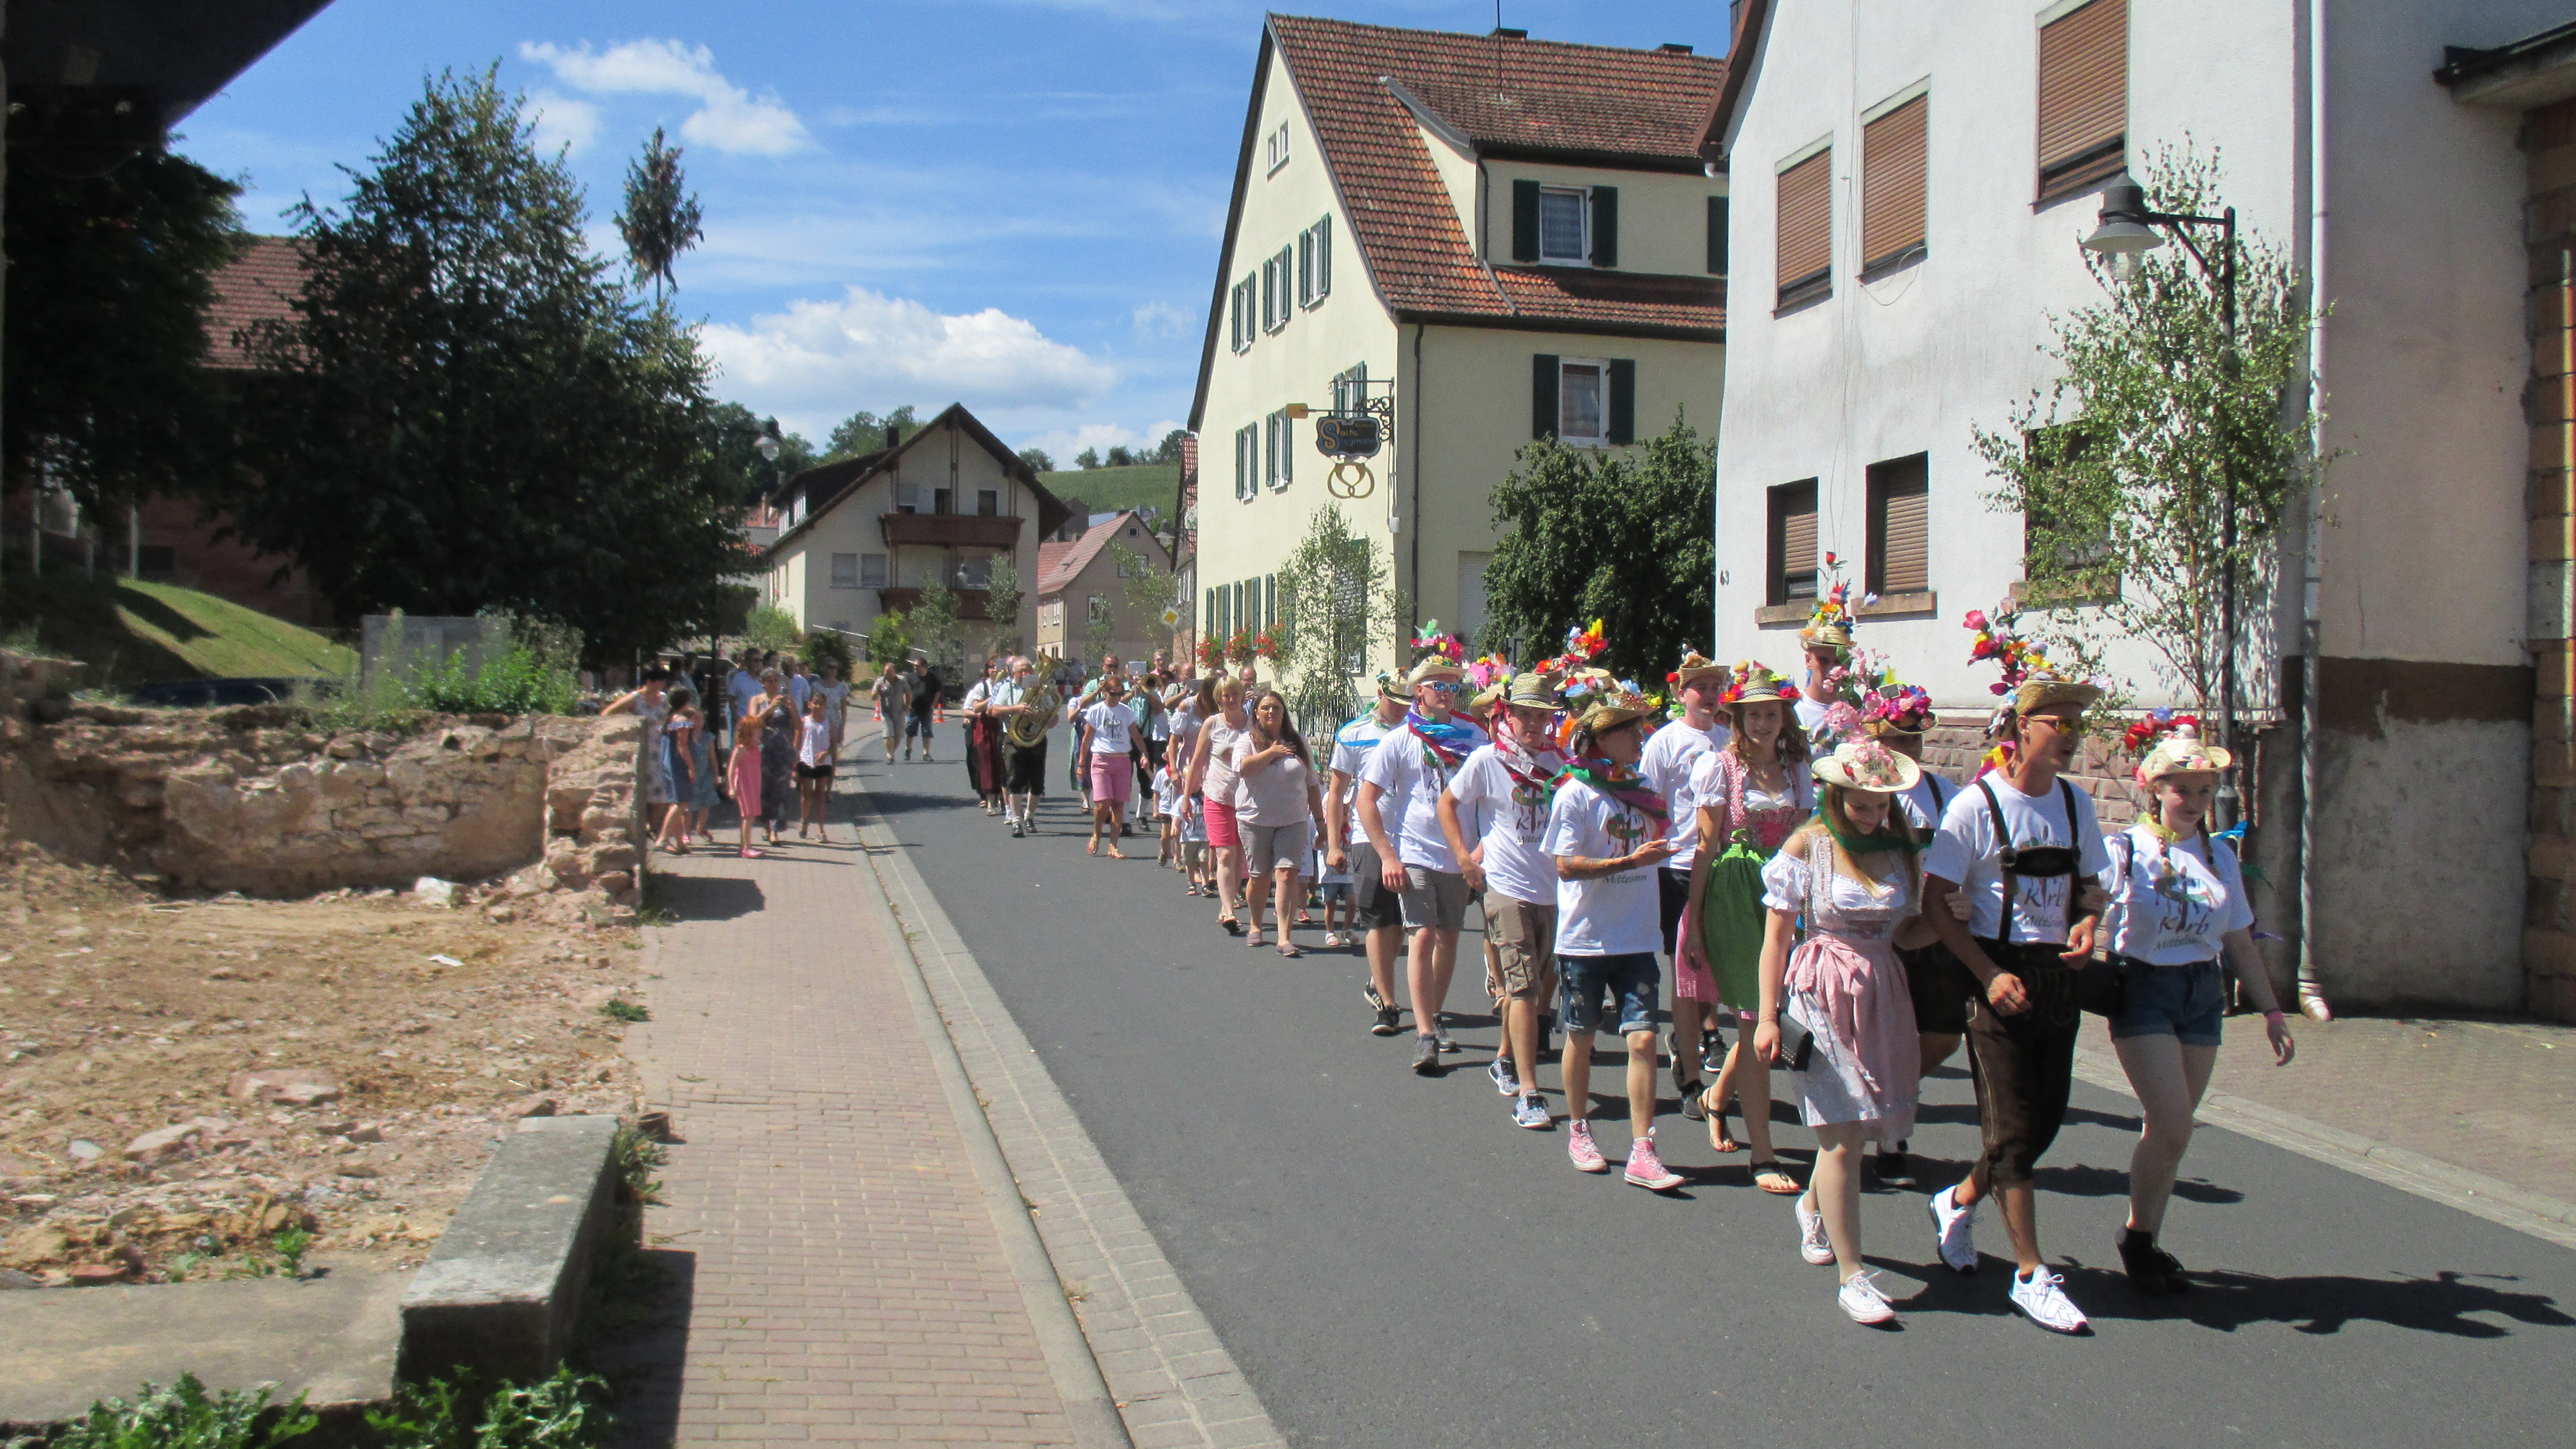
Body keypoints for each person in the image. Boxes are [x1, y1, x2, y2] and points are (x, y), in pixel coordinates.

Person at [1920, 673, 2112, 1335]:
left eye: (2075, 724)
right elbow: (1933, 905)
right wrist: (1986, 972)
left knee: (2044, 1123)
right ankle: (2031, 1273)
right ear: (2021, 730)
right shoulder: (1974, 808)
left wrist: (2090, 924)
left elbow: (2091, 886)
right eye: (2058, 722)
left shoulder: (2074, 803)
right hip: (1993, 978)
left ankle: (1958, 1199)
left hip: (2057, 978)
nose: (2071, 735)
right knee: (2010, 1134)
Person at [2100, 723, 2295, 1295]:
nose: (2195, 802)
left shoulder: (2220, 858)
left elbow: (2239, 941)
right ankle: (2138, 1242)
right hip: (2144, 989)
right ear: (2156, 789)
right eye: (2182, 788)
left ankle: (2144, 1237)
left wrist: (2273, 1013)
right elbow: (2087, 913)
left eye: (2205, 790)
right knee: (2172, 1121)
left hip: (2202, 994)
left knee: (2172, 1134)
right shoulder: (2125, 850)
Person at [1751, 738, 1942, 1325]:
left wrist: (1948, 923)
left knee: (1857, 1132)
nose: (1869, 813)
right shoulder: (1809, 844)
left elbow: (1904, 933)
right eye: (1859, 802)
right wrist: (1765, 1015)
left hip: (1882, 987)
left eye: (1879, 803)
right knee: (1841, 1134)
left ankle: (1812, 1206)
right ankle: (1853, 1275)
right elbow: (1777, 938)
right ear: (1837, 794)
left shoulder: (1902, 849)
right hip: (1820, 987)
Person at [1678, 662, 1814, 1192]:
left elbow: (1807, 837)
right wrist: (1693, 923)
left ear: (1783, 718)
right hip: (1735, 898)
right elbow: (1705, 847)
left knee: (1765, 1017)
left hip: (1787, 895)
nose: (1762, 723)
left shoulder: (1798, 767)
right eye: (1753, 715)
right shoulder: (1719, 767)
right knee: (1757, 1017)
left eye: (1770, 714)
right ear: (1739, 719)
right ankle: (1763, 1154)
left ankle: (1717, 1097)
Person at [1543, 688, 1683, 1188]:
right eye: (1628, 729)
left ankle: (1643, 1149)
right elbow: (1564, 866)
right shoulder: (1575, 793)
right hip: (1585, 941)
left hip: (1637, 936)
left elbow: (1662, 849)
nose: (1640, 735)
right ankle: (1579, 1129)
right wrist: (1627, 862)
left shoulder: (1645, 791)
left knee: (1644, 1039)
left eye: (1640, 726)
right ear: (1600, 739)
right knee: (1581, 1038)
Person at [1438, 671, 1565, 1130]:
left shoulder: (1560, 762)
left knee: (1537, 985)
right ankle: (1530, 1093)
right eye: (1525, 716)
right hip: (1506, 888)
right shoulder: (1488, 760)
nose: (1533, 725)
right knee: (1523, 988)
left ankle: (1505, 1058)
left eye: (1541, 717)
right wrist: (1464, 860)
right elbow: (1447, 804)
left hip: (1551, 890)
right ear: (1507, 716)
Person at [1357, 655, 1491, 1074]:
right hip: (1414, 851)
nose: (1447, 693)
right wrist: (1388, 855)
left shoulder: (1475, 736)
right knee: (1423, 936)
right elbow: (1366, 800)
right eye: (1439, 685)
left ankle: (1433, 1015)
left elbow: (1493, 796)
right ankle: (1425, 1034)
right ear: (1420, 691)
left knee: (1450, 938)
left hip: (1461, 855)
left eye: (1454, 686)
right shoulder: (1400, 739)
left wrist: (1480, 850)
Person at [1859, 682, 1963, 1190]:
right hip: (1880, 933)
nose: (1908, 752)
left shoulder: (1946, 794)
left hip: (1934, 930)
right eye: (1898, 741)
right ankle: (1890, 1138)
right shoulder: (1859, 793)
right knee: (1884, 1036)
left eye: (1915, 741)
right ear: (1875, 739)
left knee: (1943, 1035)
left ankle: (1887, 1100)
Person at [1637, 651, 1734, 1123]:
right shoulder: (1665, 741)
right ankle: (1690, 1074)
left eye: (1717, 688)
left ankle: (1687, 1036)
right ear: (1681, 693)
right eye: (1702, 688)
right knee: (1684, 965)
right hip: (1676, 864)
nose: (1711, 696)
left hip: (1719, 865)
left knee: (1712, 965)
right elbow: (1651, 802)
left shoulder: (1729, 739)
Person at [1327, 673, 1411, 1035]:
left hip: (1412, 835)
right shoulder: (1354, 733)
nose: (1403, 707)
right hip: (1368, 834)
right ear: (1380, 694)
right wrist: (1333, 843)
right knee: (1378, 916)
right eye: (1396, 700)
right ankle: (1388, 1005)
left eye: (1408, 700)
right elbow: (1337, 791)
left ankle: (1380, 980)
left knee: (1402, 922)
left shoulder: (1420, 730)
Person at [1232, 689, 1325, 955]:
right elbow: (1243, 769)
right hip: (1255, 820)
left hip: (1293, 820)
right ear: (1257, 713)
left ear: (1284, 713)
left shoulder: (1299, 743)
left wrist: (1320, 823)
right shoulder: (1247, 741)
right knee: (1260, 877)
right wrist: (1272, 752)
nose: (1271, 712)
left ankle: (1285, 935)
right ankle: (1256, 925)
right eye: (1265, 708)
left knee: (1287, 874)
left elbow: (1313, 785)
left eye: (1276, 708)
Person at [1186, 676, 1252, 932]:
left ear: (1241, 696)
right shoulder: (1212, 724)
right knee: (1225, 853)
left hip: (1247, 799)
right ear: (1219, 699)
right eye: (1225, 695)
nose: (1230, 699)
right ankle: (1228, 911)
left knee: (1239, 857)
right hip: (1217, 796)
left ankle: (1230, 902)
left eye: (1234, 694)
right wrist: (1187, 797)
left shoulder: (1252, 725)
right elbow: (1197, 762)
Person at [601, 667, 675, 842]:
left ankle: (651, 826)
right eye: (660, 681)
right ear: (649, 682)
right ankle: (640, 828)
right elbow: (607, 713)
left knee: (663, 793)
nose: (663, 685)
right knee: (638, 793)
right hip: (641, 751)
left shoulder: (664, 699)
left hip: (660, 750)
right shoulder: (636, 699)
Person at [991, 657, 1057, 836]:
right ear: (1014, 673)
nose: (1027, 674)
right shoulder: (1007, 687)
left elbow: (1054, 717)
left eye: (1030, 670)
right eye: (1022, 671)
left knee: (1037, 783)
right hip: (1014, 738)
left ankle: (1029, 816)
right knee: (1015, 780)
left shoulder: (1040, 689)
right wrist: (1016, 709)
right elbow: (994, 711)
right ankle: (1016, 820)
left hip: (1036, 739)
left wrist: (1049, 719)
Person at [1078, 673, 1139, 858]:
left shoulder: (1126, 712)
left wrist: (1145, 754)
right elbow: (1087, 738)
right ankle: (1096, 835)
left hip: (1122, 760)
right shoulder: (1096, 710)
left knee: (1119, 805)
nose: (1117, 698)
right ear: (1105, 692)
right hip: (1101, 759)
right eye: (1113, 694)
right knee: (1102, 804)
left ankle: (1113, 845)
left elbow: (1136, 735)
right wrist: (1081, 763)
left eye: (1120, 694)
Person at [728, 688, 781, 859]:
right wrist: (731, 787)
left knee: (751, 816)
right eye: (757, 731)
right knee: (748, 816)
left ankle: (747, 845)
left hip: (753, 784)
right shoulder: (742, 748)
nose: (760, 733)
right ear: (748, 733)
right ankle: (746, 848)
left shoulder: (755, 748)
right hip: (743, 785)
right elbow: (731, 768)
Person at [655, 686, 704, 854]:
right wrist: (691, 767)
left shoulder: (670, 719)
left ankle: (679, 843)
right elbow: (683, 746)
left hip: (668, 764)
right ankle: (663, 837)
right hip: (679, 765)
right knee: (682, 802)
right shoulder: (682, 720)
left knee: (675, 803)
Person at [756, 669, 798, 845]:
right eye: (770, 680)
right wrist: (770, 708)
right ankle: (766, 825)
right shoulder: (757, 701)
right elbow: (753, 722)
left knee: (781, 791)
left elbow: (798, 725)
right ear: (763, 682)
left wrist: (796, 749)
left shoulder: (787, 701)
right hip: (763, 750)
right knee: (764, 790)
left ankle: (775, 830)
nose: (774, 684)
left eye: (776, 680)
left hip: (783, 751)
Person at [964, 660, 1005, 813]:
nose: (996, 670)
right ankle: (990, 802)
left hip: (1004, 727)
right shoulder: (982, 687)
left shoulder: (1009, 685)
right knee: (988, 765)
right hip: (987, 729)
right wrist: (991, 698)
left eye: (999, 667)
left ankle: (1005, 801)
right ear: (988, 670)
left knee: (1004, 765)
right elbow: (973, 709)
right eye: (992, 667)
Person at [795, 692, 836, 841]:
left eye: (821, 703)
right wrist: (795, 765)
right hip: (806, 760)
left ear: (825, 706)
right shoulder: (804, 722)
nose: (817, 706)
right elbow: (798, 743)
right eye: (815, 703)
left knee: (820, 795)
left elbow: (833, 745)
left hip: (823, 763)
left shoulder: (828, 723)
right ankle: (804, 821)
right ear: (810, 704)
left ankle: (821, 829)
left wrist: (827, 754)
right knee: (807, 794)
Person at [869, 662, 910, 765]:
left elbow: (909, 693)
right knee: (888, 734)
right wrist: (877, 691)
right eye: (886, 673)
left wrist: (908, 706)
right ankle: (890, 755)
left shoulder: (902, 681)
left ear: (894, 672)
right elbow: (873, 697)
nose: (888, 675)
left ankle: (891, 752)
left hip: (900, 711)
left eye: (890, 673)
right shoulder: (880, 682)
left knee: (899, 736)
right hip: (886, 712)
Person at [816, 659, 852, 761]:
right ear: (824, 669)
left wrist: (842, 728)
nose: (832, 670)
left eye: (835, 667)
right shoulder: (816, 686)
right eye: (830, 667)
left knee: (833, 749)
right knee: (819, 748)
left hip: (835, 722)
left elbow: (844, 710)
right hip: (820, 721)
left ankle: (832, 770)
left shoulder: (842, 687)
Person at [907, 663, 940, 762]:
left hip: (927, 709)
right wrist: (907, 704)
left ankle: (926, 753)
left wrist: (933, 704)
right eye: (914, 666)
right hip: (914, 708)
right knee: (910, 729)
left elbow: (938, 692)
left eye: (917, 666)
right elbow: (907, 691)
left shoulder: (932, 678)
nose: (915, 668)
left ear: (924, 667)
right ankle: (908, 749)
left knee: (927, 731)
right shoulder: (911, 678)